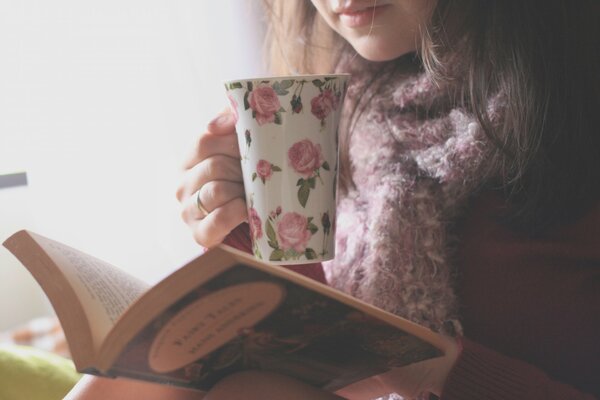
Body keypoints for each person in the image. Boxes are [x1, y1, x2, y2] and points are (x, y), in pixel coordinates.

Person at [66, 0, 599, 399]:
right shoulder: (352, 105)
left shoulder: (574, 109)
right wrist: (243, 221)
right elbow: (318, 354)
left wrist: (431, 367)